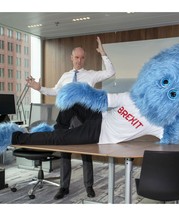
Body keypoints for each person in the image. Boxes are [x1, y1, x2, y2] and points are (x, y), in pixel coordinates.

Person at [25, 36, 115, 200]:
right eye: (76, 57)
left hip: (84, 119)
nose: (79, 61)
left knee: (86, 154)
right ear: (71, 58)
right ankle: (63, 187)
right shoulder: (65, 76)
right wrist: (39, 88)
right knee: (64, 152)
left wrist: (102, 53)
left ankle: (89, 186)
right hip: (67, 117)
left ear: (84, 59)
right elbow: (54, 91)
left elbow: (111, 72)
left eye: (82, 58)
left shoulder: (91, 75)